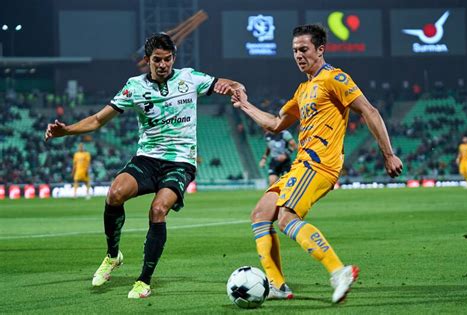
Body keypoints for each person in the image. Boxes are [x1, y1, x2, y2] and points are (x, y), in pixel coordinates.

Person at [44, 33, 244, 299]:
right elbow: (97, 120)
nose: (163, 64)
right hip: (148, 158)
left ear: (174, 58)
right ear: (147, 60)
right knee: (115, 193)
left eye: (168, 59)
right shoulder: (134, 87)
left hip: (180, 161)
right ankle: (113, 256)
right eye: (157, 60)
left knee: (158, 209)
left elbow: (225, 83)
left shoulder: (189, 78)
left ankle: (144, 280)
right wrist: (66, 130)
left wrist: (234, 86)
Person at [232, 24, 403, 303]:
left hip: (320, 164)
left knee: (286, 217)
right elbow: (276, 124)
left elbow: (369, 111)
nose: (298, 55)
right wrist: (246, 105)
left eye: (304, 49)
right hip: (300, 165)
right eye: (295, 51)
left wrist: (388, 153)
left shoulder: (335, 78)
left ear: (320, 50)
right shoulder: (303, 89)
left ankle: (339, 271)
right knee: (261, 213)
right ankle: (277, 286)